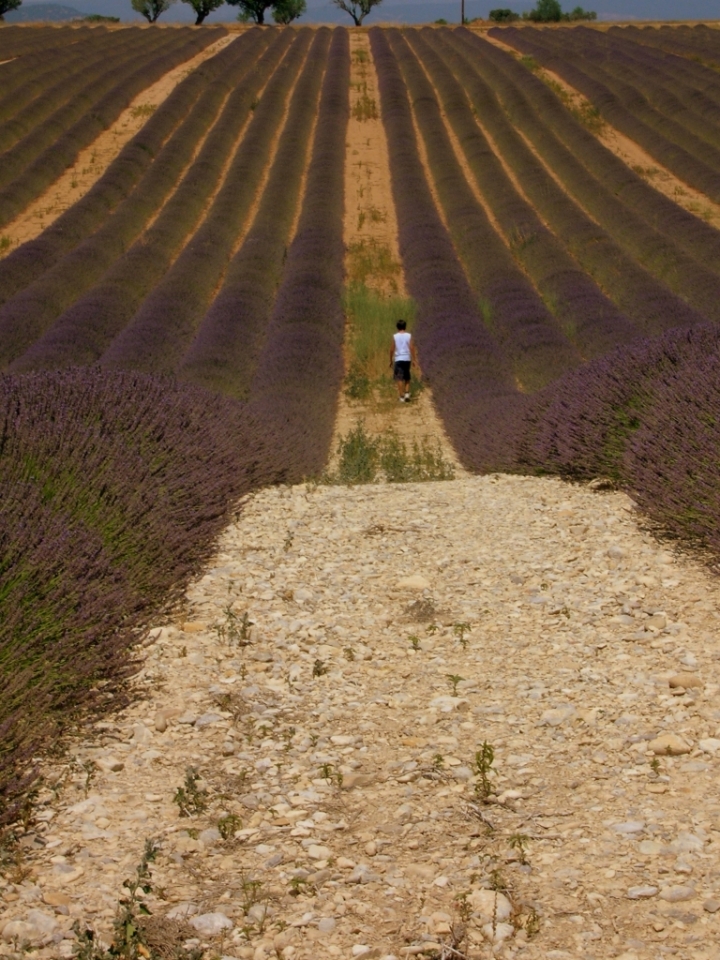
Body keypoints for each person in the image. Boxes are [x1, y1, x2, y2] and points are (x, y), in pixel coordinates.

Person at [389, 320, 418, 402]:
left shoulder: (395, 336)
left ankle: (401, 396)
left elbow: (391, 349)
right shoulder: (409, 336)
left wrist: (390, 360)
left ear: (397, 327)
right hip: (407, 358)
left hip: (398, 359)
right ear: (405, 326)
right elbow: (412, 347)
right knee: (407, 376)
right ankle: (407, 393)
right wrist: (414, 359)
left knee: (399, 378)